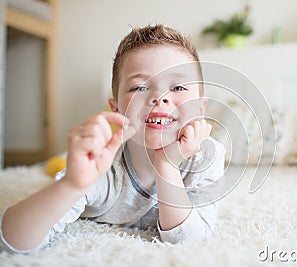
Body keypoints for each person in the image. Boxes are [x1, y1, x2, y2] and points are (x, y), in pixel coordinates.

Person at [0, 24, 226, 254]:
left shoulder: (207, 156)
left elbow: (193, 242)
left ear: (200, 108)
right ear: (116, 110)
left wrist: (166, 165)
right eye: (140, 87)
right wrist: (72, 184)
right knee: (64, 167)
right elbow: (11, 243)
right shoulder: (102, 164)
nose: (160, 97)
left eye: (178, 86)